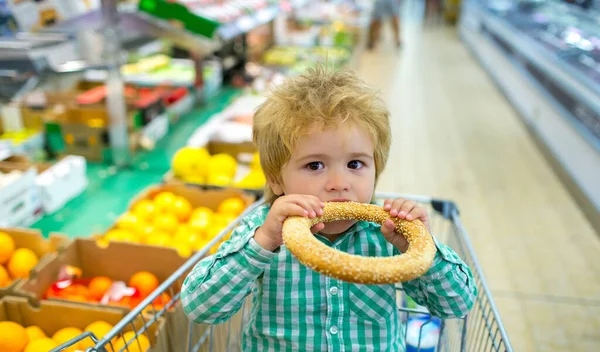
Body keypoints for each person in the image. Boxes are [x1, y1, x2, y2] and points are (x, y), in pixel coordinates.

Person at [181, 65, 477, 351]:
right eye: (315, 165)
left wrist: (418, 246)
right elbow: (201, 307)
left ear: (377, 168)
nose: (339, 183)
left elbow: (457, 304)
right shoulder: (265, 230)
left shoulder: (387, 234)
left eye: (355, 164)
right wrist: (262, 243)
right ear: (275, 179)